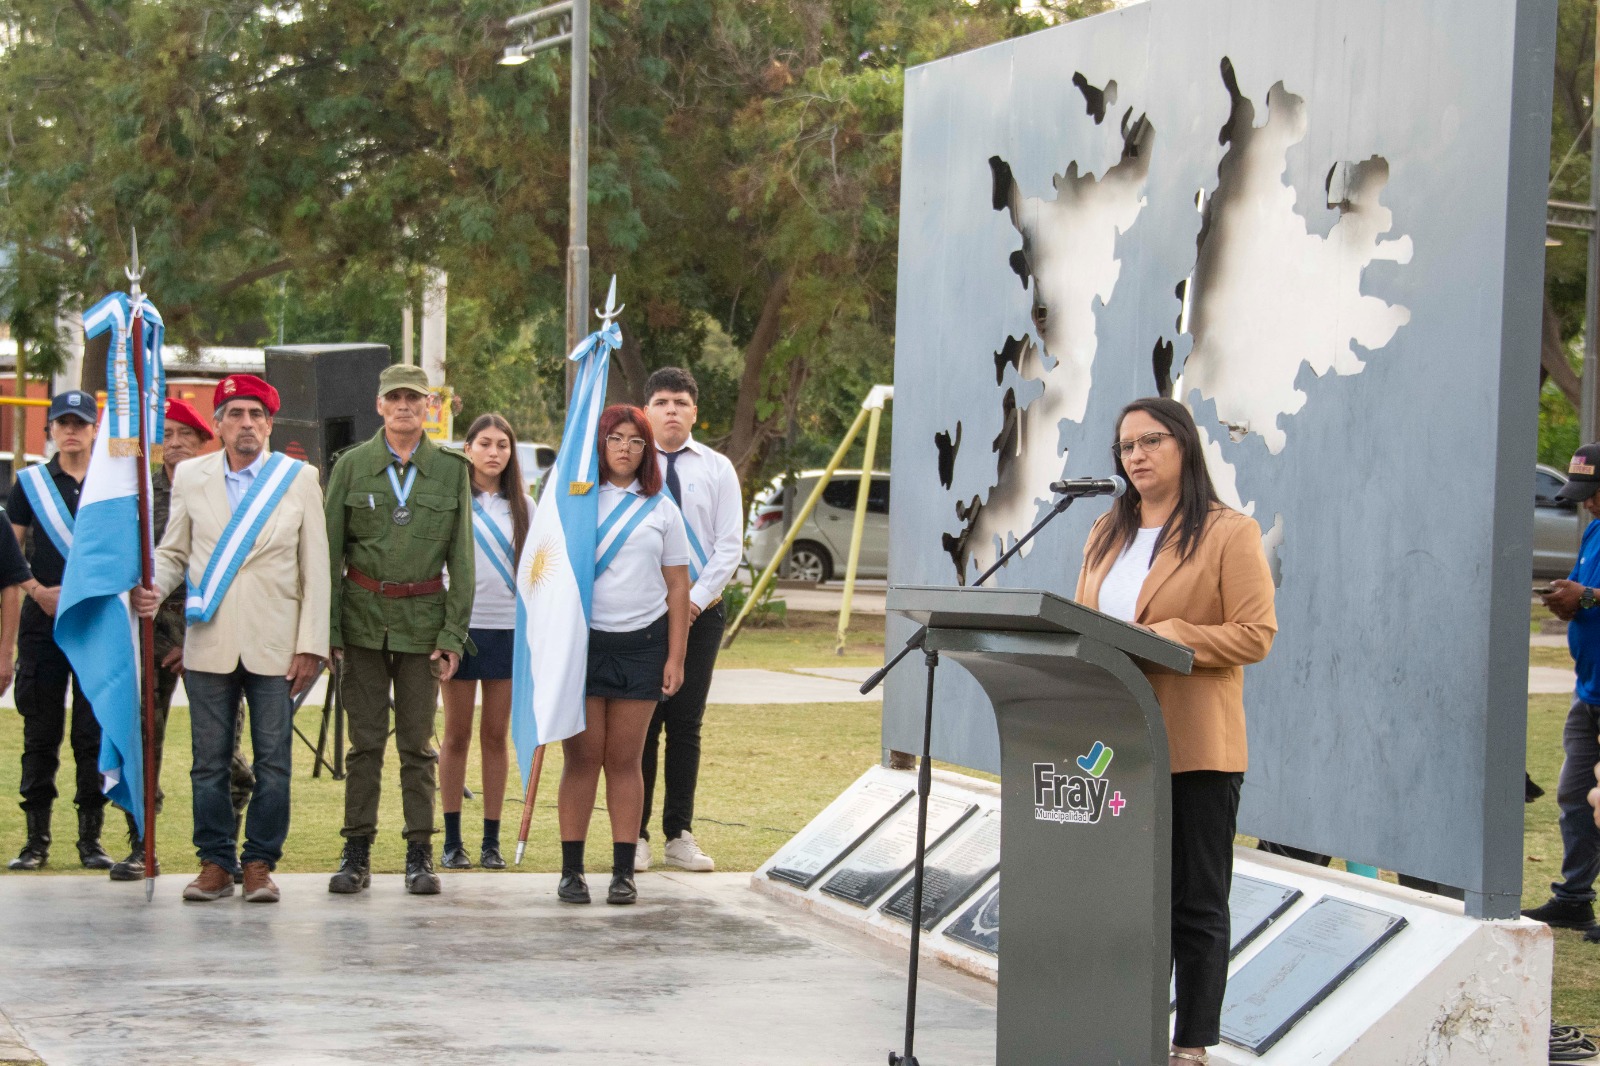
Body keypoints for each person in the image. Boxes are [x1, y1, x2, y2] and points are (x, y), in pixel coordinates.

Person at [1074, 397, 1276, 1066]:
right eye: (1126, 445)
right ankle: (1125, 1030)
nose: (1136, 455)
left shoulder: (1228, 532)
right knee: (1125, 897)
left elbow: (1255, 634)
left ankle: (1190, 1045)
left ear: (1184, 445)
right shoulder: (1105, 531)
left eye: (1151, 441)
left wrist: (1164, 637)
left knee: (1194, 902)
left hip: (1196, 744)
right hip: (1115, 743)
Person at [133, 375, 329, 903]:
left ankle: (260, 863)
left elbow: (316, 568)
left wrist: (311, 645)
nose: (247, 424)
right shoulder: (191, 476)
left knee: (274, 762)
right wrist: (154, 588)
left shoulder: (299, 478)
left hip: (277, 646)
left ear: (270, 424)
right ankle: (215, 864)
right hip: (210, 641)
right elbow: (174, 552)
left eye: (256, 415)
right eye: (236, 414)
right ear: (218, 424)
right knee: (208, 763)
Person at [325, 364, 474, 897]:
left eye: (414, 397)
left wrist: (452, 635)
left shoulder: (452, 471)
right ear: (380, 405)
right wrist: (330, 631)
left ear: (429, 405)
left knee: (417, 746)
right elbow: (329, 555)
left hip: (423, 626)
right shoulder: (351, 466)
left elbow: (463, 560)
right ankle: (356, 852)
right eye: (395, 398)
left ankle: (420, 854)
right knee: (364, 745)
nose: (404, 405)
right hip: (362, 622)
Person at [111, 398, 256, 882]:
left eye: (184, 436)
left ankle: (224, 853)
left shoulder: (223, 490)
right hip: (149, 628)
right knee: (142, 738)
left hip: (210, 626)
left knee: (223, 747)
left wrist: (193, 638)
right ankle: (142, 845)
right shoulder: (136, 493)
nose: (173, 445)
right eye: (165, 436)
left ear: (203, 442)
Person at [556, 404, 689, 906]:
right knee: (582, 758)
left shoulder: (661, 508)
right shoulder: (576, 500)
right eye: (616, 438)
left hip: (643, 645)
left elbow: (679, 586)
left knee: (625, 759)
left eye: (636, 440)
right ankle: (572, 871)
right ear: (601, 444)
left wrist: (675, 657)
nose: (626, 448)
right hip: (584, 645)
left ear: (646, 449)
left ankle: (622, 872)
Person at [635, 368, 743, 873]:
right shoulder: (631, 466)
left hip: (702, 612)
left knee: (685, 724)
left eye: (680, 402)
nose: (671, 410)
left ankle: (678, 833)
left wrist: (693, 602)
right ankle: (633, 834)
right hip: (643, 614)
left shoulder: (717, 468)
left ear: (695, 411)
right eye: (661, 402)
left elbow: (729, 547)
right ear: (646, 411)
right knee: (642, 723)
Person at [7, 390, 113, 871]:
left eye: (80, 423)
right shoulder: (30, 483)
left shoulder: (111, 482)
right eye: (63, 423)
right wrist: (35, 590)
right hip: (42, 623)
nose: (71, 431)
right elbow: (9, 553)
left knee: (92, 735)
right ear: (50, 428)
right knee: (40, 733)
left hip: (95, 622)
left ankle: (91, 840)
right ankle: (36, 841)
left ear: (94, 429)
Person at [438, 413, 533, 871]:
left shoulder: (525, 506)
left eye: (503, 445)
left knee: (495, 735)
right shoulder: (451, 500)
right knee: (456, 734)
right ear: (468, 449)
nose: (494, 452)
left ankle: (491, 841)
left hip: (509, 631)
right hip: (460, 630)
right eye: (485, 444)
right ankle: (452, 840)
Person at [1527, 441, 1600, 943]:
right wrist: (1567, 597)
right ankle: (1574, 899)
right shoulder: (1594, 529)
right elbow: (1582, 588)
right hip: (1589, 690)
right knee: (1576, 796)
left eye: (1595, 493)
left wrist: (1587, 596)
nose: (1588, 503)